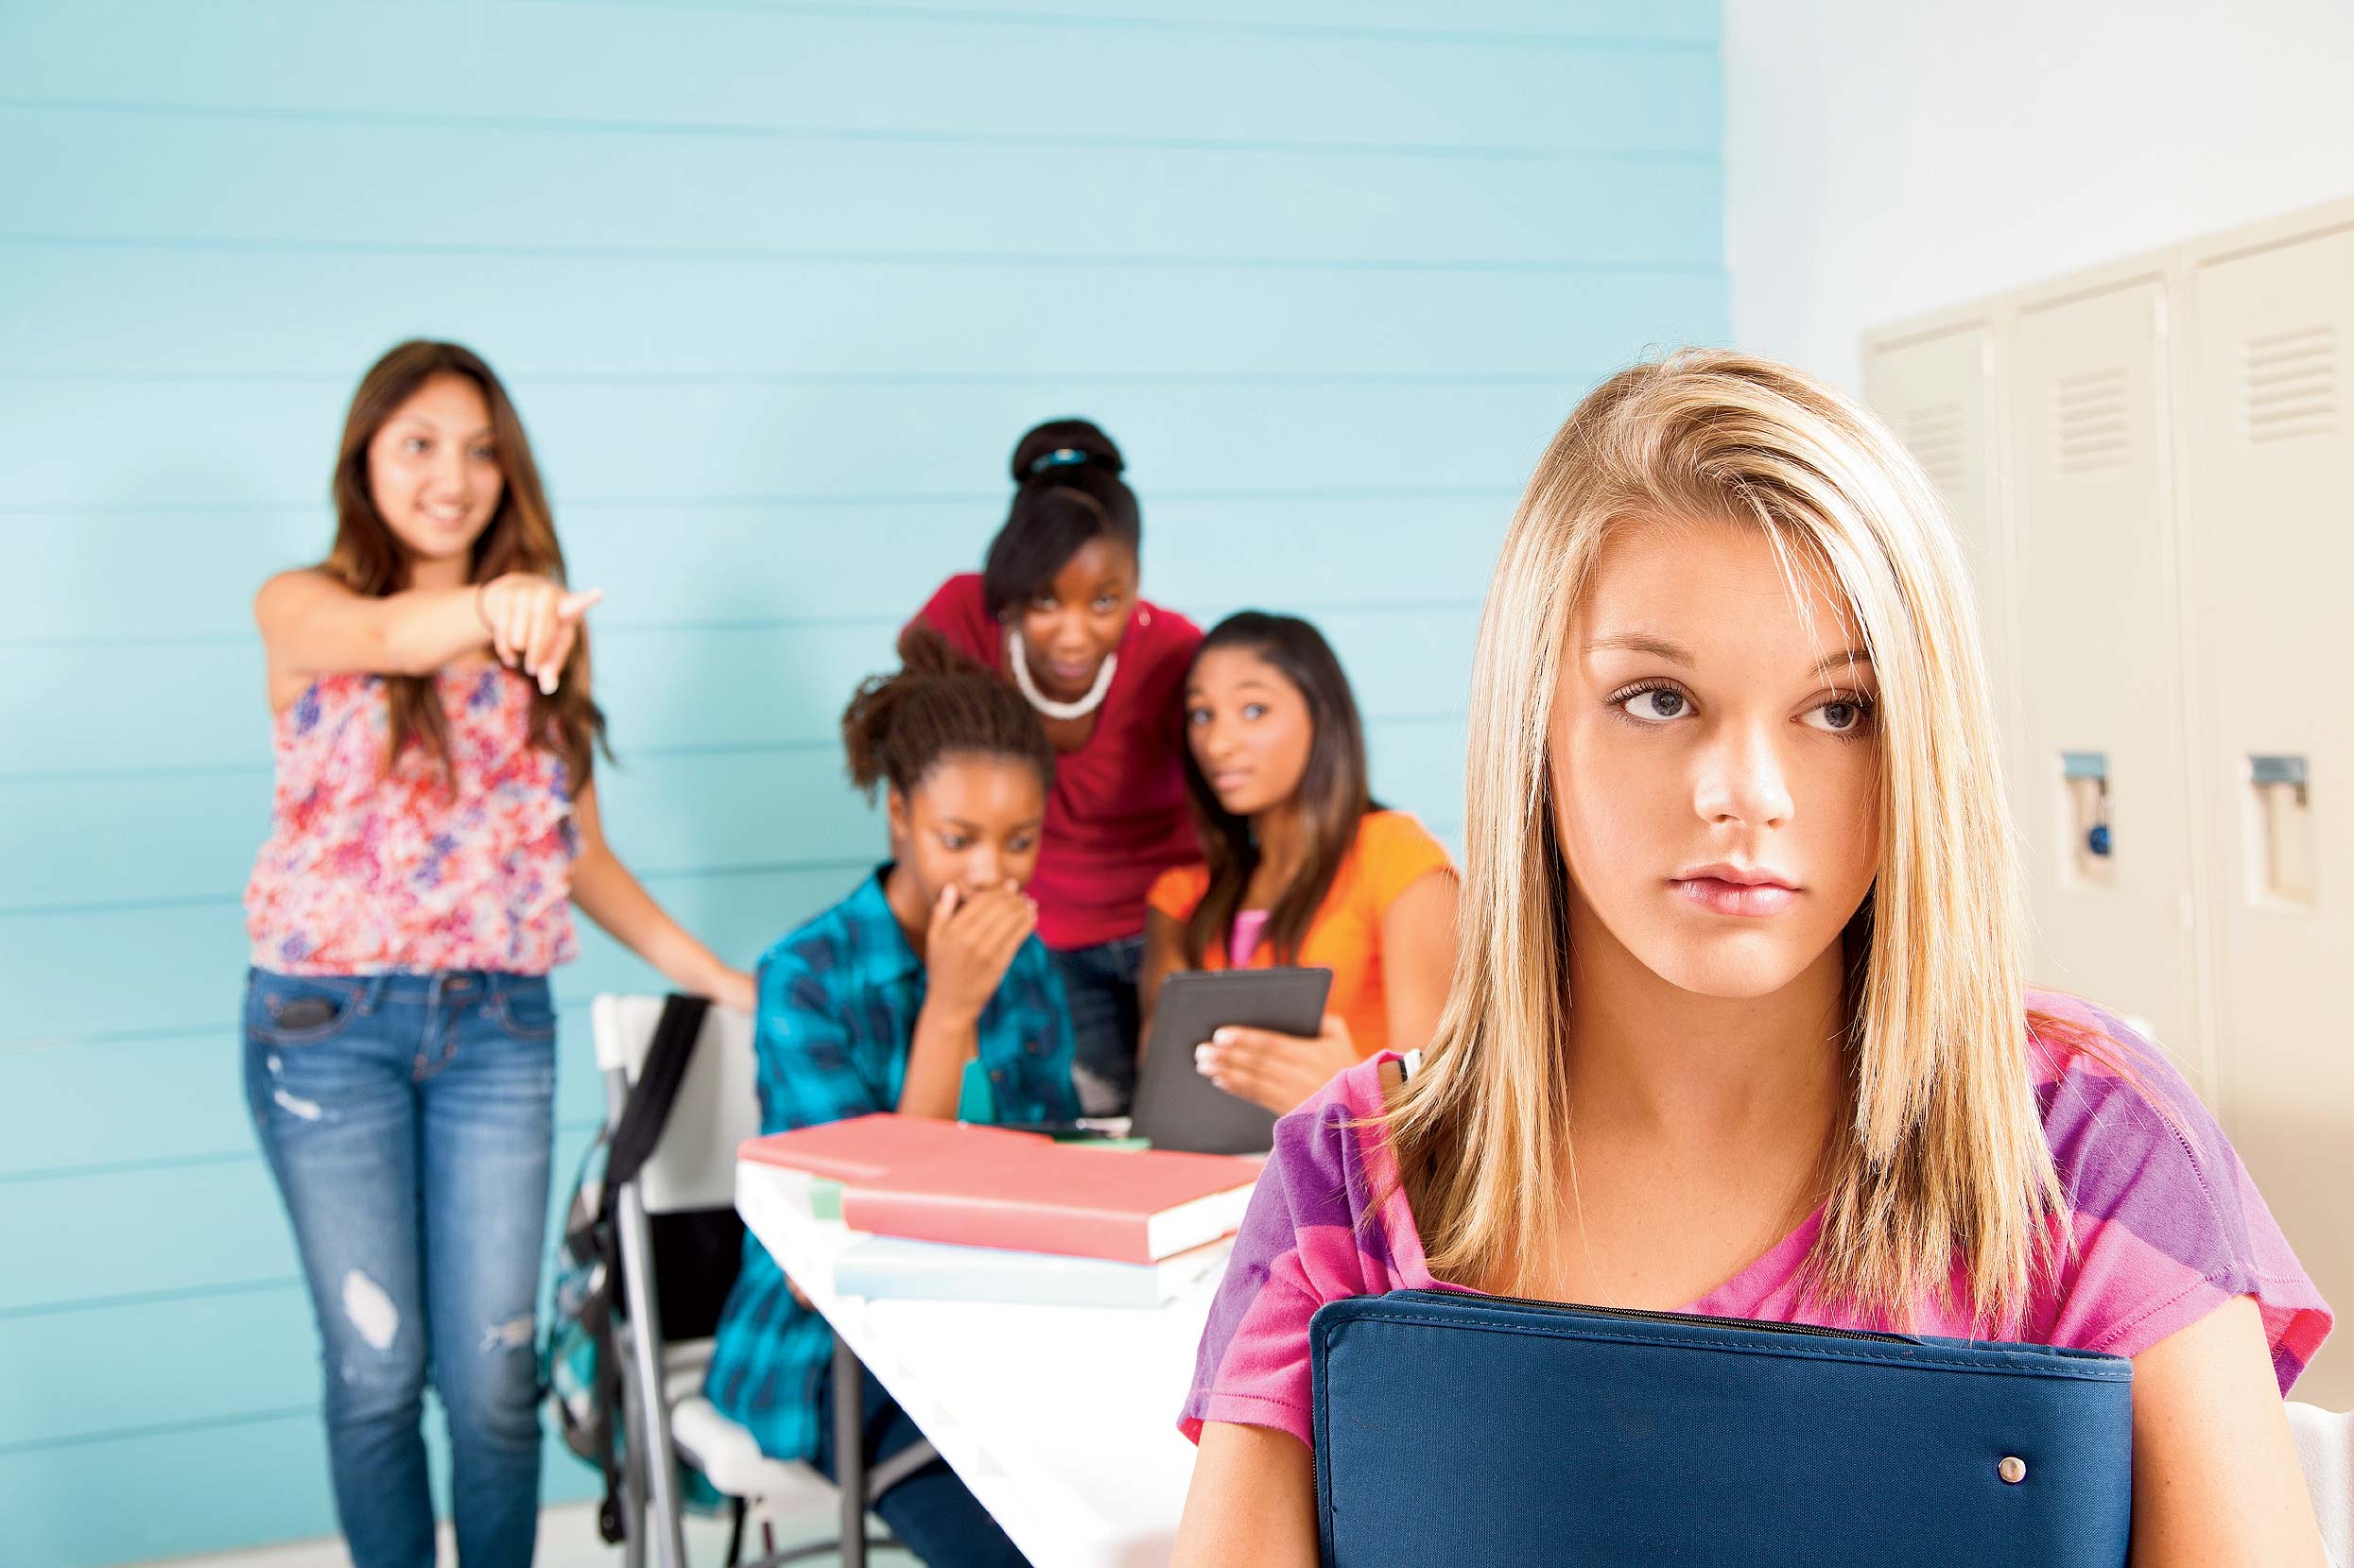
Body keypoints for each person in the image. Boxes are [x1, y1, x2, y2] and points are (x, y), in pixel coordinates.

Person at [1170, 351, 2333, 1566]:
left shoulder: (2089, 1143)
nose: (1747, 796)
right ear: (1534, 726)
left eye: (1840, 712)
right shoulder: (1351, 1179)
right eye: (1658, 698)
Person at [244, 340, 753, 1568]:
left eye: (479, 448)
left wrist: (722, 979)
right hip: (324, 1031)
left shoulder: (547, 640)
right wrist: (490, 605)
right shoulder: (302, 606)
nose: (451, 474)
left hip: (497, 1032)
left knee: (492, 1374)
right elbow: (390, 633)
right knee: (377, 1369)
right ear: (365, 457)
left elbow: (575, 854)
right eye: (417, 441)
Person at [704, 632, 1077, 1567]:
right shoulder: (806, 976)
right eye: (960, 840)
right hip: (838, 1348)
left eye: (1021, 841)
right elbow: (845, 1236)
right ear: (899, 817)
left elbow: (1059, 1161)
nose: (994, 873)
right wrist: (949, 1010)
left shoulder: (1026, 961)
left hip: (999, 1320)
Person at [908, 419, 1202, 1114]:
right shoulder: (959, 621)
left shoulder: (1175, 654)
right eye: (1044, 599)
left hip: (1167, 928)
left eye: (1105, 600)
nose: (1075, 634)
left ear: (1136, 584)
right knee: (1079, 1125)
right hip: (1037, 932)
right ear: (1008, 586)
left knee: (1188, 1125)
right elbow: (916, 763)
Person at [1141, 611, 1458, 1113]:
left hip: (1358, 1174)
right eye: (1202, 715)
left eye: (1254, 710)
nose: (1218, 744)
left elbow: (1443, 1093)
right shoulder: (1181, 897)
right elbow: (1161, 1084)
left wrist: (1349, 1094)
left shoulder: (1395, 853)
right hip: (1216, 1178)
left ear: (1321, 716)